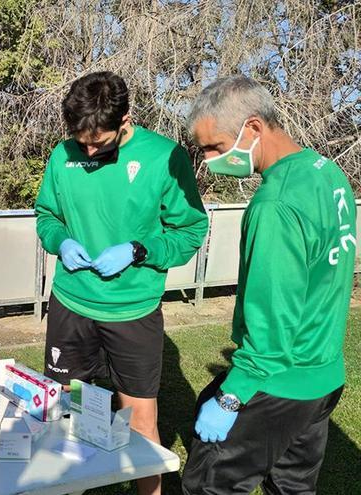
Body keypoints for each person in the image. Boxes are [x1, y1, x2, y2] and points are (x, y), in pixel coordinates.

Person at [35, 71, 208, 495]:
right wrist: (61, 240)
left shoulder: (164, 157)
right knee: (62, 415)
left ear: (126, 119)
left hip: (133, 311)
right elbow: (46, 216)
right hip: (71, 306)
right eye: (82, 141)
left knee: (140, 423)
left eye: (99, 142)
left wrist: (138, 250)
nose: (89, 149)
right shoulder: (63, 155)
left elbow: (189, 232)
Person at [181, 76, 355, 494]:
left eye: (215, 147)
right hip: (322, 375)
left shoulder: (275, 205)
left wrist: (231, 397)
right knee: (292, 487)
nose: (208, 160)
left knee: (209, 485)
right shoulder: (325, 172)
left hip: (277, 379)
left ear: (254, 128)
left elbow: (273, 318)